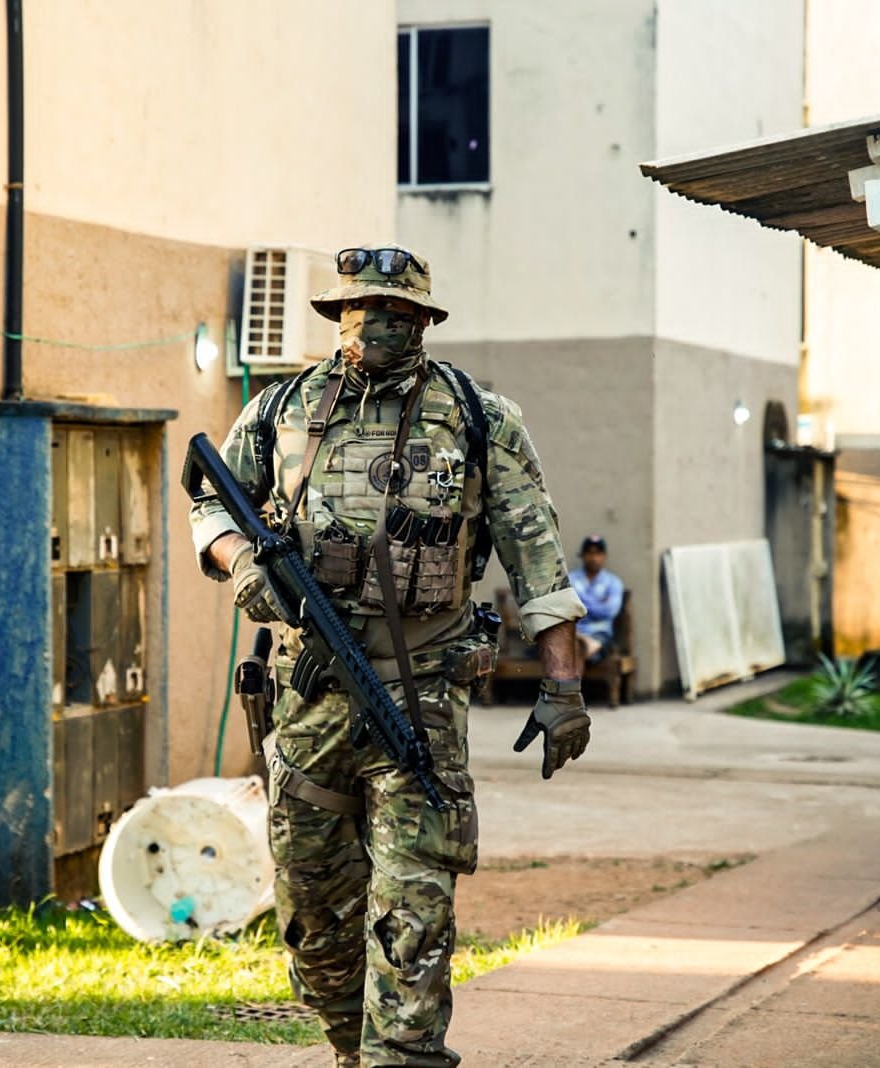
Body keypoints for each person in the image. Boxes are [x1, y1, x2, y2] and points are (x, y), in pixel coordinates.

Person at [191, 245, 589, 1067]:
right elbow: (211, 498)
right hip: (310, 700)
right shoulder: (280, 409)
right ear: (337, 314)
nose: (376, 324)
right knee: (312, 914)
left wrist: (563, 685)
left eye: (398, 311)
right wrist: (243, 564)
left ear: (425, 321)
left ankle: (399, 1056)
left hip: (425, 697)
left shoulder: (480, 417)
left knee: (415, 910)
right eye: (361, 308)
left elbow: (537, 556)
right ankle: (350, 1045)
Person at [570, 534, 625, 662]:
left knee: (577, 650)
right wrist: (599, 604)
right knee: (573, 647)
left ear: (604, 556)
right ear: (582, 555)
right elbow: (566, 609)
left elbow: (610, 611)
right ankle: (585, 642)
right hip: (573, 633)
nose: (594, 558)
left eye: (598, 553)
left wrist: (581, 604)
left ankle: (586, 643)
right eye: (589, 553)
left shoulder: (613, 582)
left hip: (600, 635)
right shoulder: (570, 579)